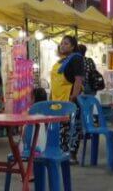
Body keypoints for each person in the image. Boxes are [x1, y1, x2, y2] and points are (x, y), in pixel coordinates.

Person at [50, 35, 85, 163]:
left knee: (73, 127)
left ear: (72, 46)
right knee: (62, 128)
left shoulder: (76, 59)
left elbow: (78, 79)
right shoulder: (62, 60)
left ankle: (72, 154)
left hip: (70, 99)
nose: (62, 45)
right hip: (58, 99)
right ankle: (62, 152)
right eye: (61, 43)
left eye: (66, 43)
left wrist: (73, 97)